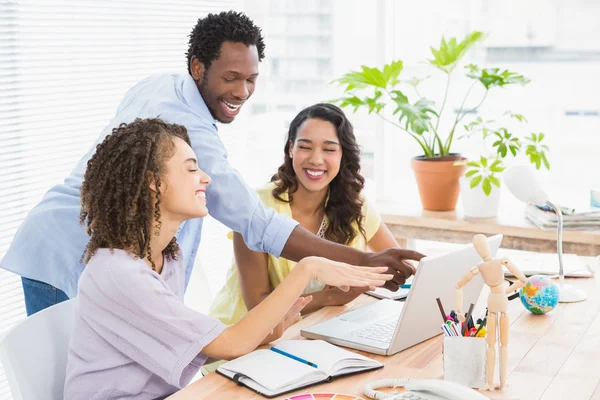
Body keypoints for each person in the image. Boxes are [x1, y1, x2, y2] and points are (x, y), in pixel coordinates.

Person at [1, 10, 421, 316]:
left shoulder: (166, 86)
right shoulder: (186, 127)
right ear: (198, 67)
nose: (242, 91)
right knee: (69, 379)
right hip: (67, 248)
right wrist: (358, 260)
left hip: (95, 250)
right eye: (230, 77)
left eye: (251, 79)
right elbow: (255, 223)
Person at [64, 118, 393, 400]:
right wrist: (307, 268)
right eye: (191, 168)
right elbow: (230, 344)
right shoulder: (118, 273)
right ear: (153, 182)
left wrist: (270, 329)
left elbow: (195, 342)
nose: (205, 178)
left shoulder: (166, 257)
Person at [210, 103, 406, 326]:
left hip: (315, 331)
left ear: (343, 154)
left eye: (329, 149)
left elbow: (397, 264)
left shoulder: (355, 206)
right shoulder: (255, 208)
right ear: (291, 148)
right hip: (245, 339)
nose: (316, 159)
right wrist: (332, 297)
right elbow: (258, 305)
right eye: (305, 147)